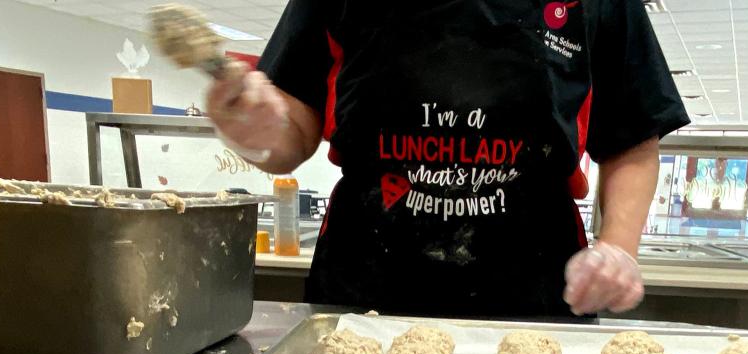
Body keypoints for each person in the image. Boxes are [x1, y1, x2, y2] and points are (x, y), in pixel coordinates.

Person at [207, 0, 689, 317]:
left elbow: (633, 141)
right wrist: (254, 132)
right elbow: (292, 137)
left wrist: (620, 246)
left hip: (534, 297)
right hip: (362, 293)